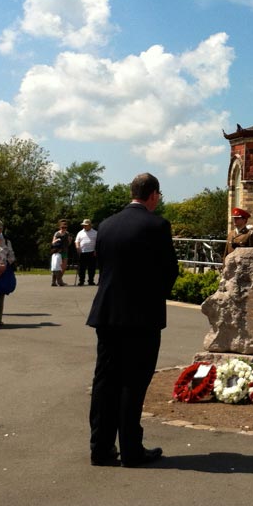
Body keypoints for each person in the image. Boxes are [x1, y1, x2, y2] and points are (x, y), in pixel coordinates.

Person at [88, 173, 178, 468]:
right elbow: (169, 271)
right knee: (133, 382)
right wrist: (154, 296)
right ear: (153, 195)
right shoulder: (158, 225)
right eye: (159, 195)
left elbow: (103, 265)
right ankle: (130, 449)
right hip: (142, 317)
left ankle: (100, 449)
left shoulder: (107, 224)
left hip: (108, 313)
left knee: (105, 381)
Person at [75, 218, 98, 286]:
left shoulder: (95, 232)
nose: (84, 226)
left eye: (86, 225)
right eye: (84, 225)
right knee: (82, 268)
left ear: (90, 225)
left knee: (92, 268)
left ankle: (91, 281)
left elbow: (98, 242)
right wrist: (77, 247)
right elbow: (77, 241)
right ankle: (81, 281)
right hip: (82, 252)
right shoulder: (80, 232)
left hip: (92, 252)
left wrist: (96, 250)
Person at [49, 220, 71, 287]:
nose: (64, 229)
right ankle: (56, 281)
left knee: (64, 267)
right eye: (62, 227)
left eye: (65, 227)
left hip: (64, 251)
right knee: (56, 267)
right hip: (57, 252)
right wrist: (57, 240)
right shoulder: (57, 233)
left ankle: (59, 279)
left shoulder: (67, 233)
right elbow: (53, 242)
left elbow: (69, 244)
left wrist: (70, 240)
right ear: (60, 227)